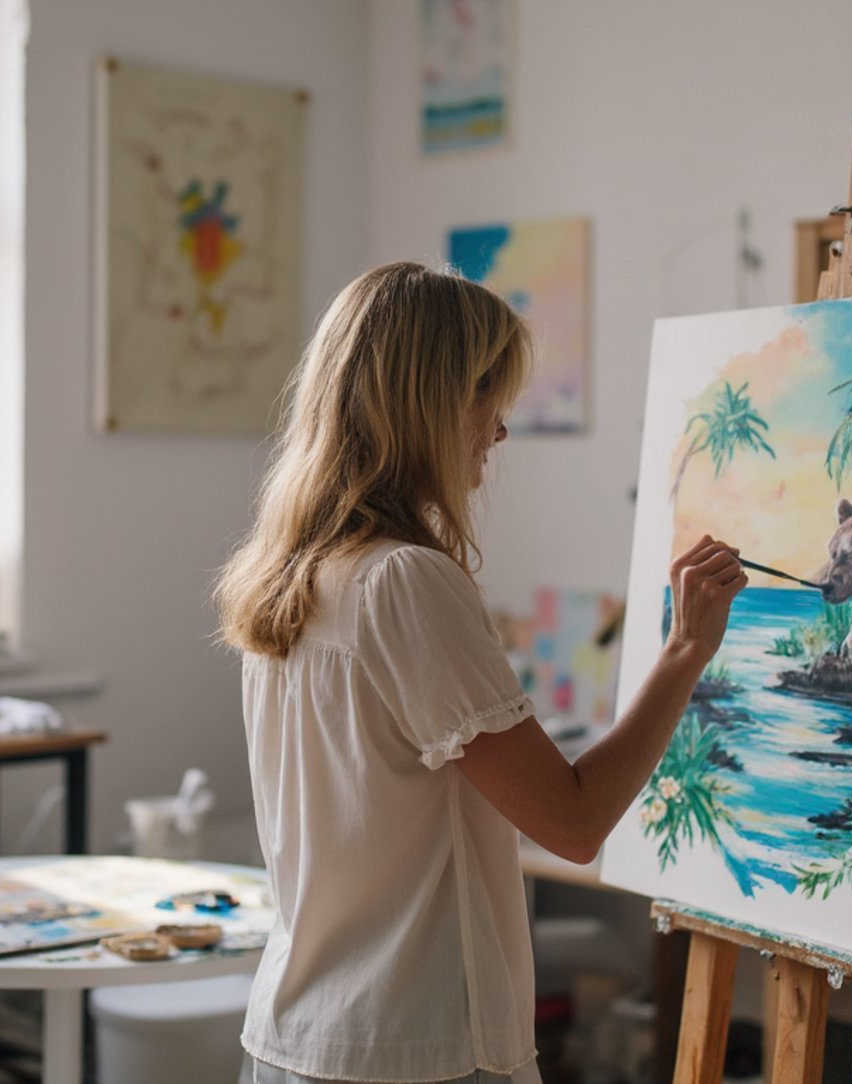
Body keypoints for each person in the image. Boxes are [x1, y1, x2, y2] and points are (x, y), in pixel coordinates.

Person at [215, 262, 744, 1084]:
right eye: (484, 397)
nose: (498, 430)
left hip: (296, 1035)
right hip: (411, 1048)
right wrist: (685, 652)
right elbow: (573, 825)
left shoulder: (287, 574)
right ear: (426, 405)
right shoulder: (402, 581)